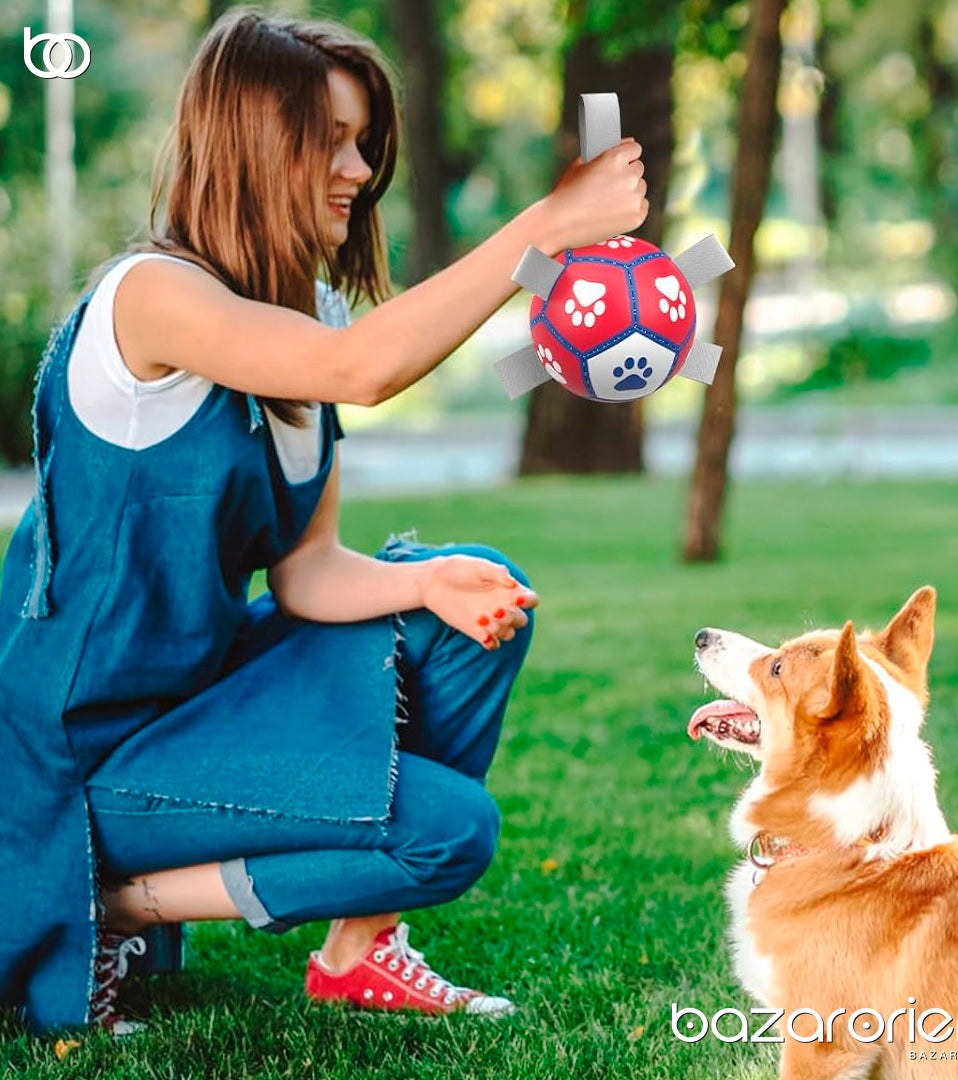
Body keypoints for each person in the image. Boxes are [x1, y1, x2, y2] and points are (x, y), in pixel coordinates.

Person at [0, 9, 647, 1036]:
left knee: (467, 591)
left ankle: (359, 951)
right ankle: (106, 899)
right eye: (330, 142)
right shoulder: (151, 299)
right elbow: (364, 372)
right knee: (450, 832)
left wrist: (428, 584)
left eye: (364, 142)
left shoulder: (309, 311)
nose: (358, 169)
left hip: (190, 709)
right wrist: (545, 228)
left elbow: (307, 574)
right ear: (254, 148)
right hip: (67, 756)